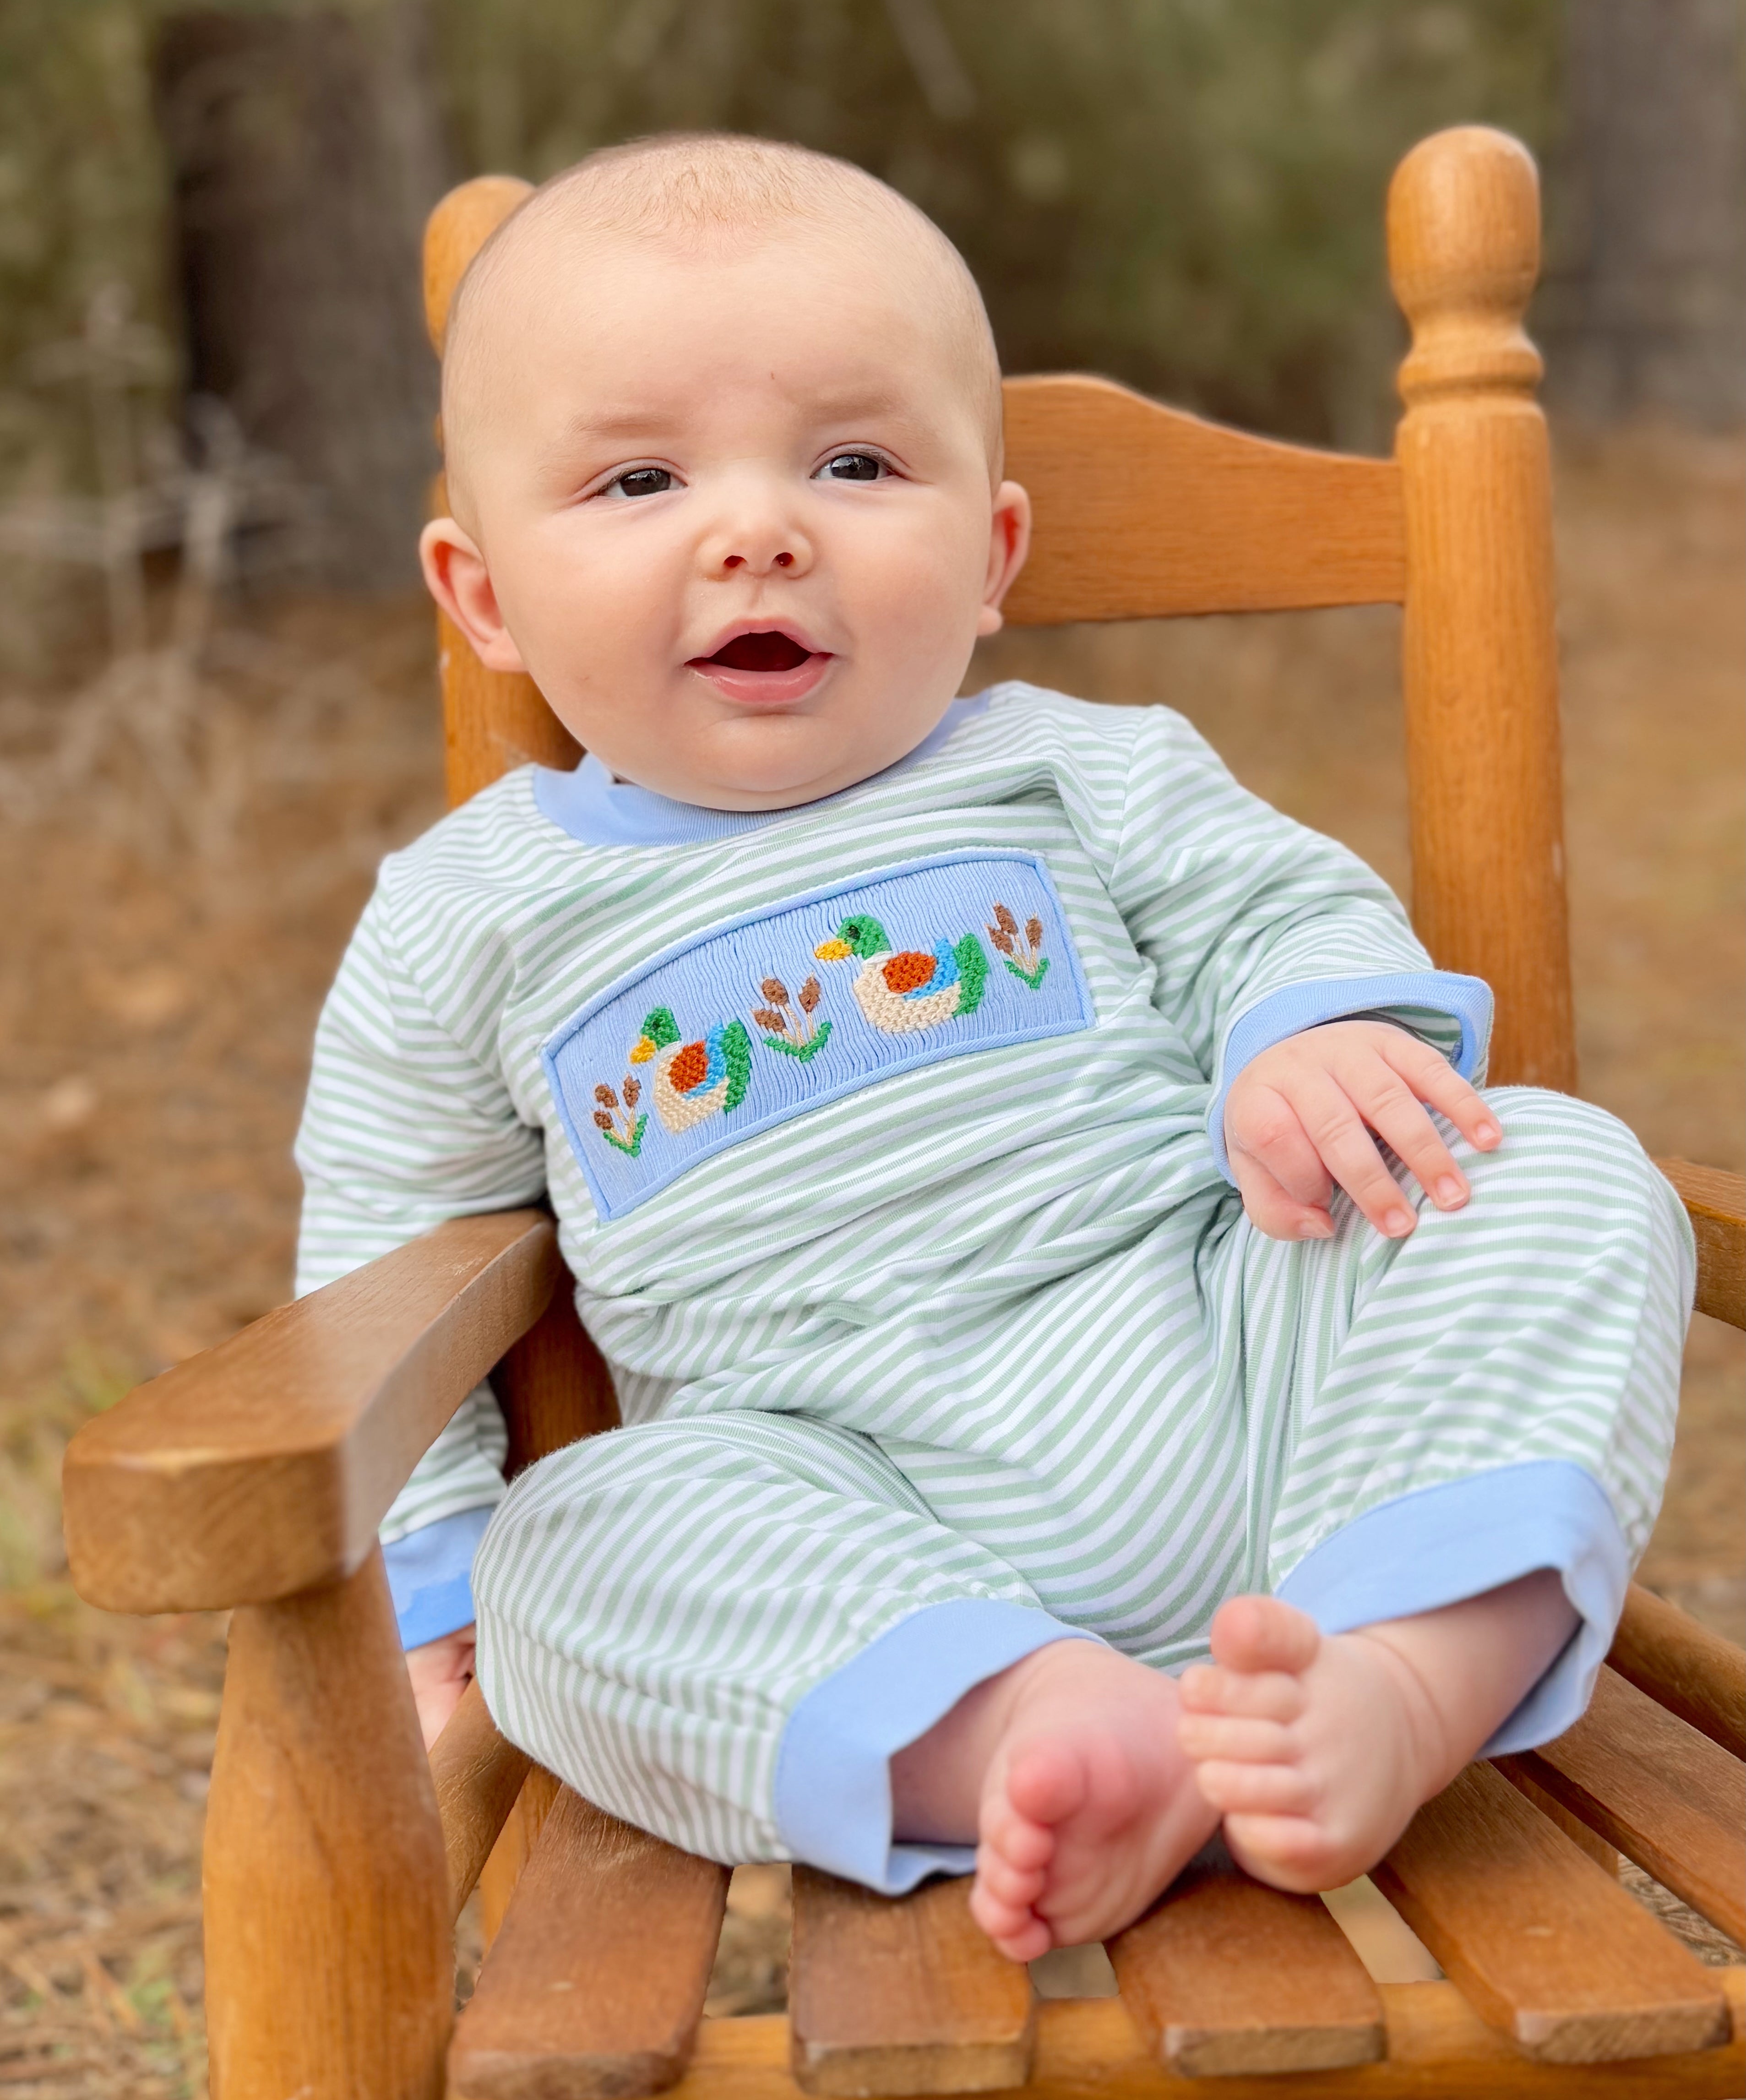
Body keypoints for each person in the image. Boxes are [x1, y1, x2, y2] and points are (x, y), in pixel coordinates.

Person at [295, 133, 1691, 1961]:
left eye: (856, 463)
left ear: (991, 555)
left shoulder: (1075, 770)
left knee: (1559, 1167)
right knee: (568, 1551)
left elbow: (1281, 905)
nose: (756, 528)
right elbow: (383, 1243)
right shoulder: (467, 914)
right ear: (484, 597)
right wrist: (429, 1582)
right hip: (826, 1490)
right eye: (640, 477)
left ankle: (1391, 1678)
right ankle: (1036, 1730)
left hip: (1237, 1371)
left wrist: (1311, 1031)